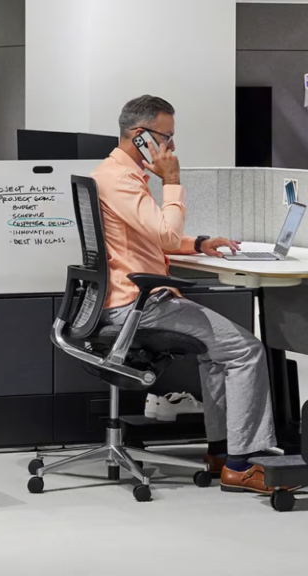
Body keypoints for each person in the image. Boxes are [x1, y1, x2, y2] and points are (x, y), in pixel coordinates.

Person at [91, 95, 280, 494]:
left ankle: (222, 452)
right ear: (140, 136)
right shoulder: (120, 179)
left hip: (133, 300)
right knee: (246, 350)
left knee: (220, 351)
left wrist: (198, 244)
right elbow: (165, 233)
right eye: (166, 137)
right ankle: (243, 463)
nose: (171, 146)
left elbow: (150, 236)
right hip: (139, 305)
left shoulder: (115, 173)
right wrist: (173, 182)